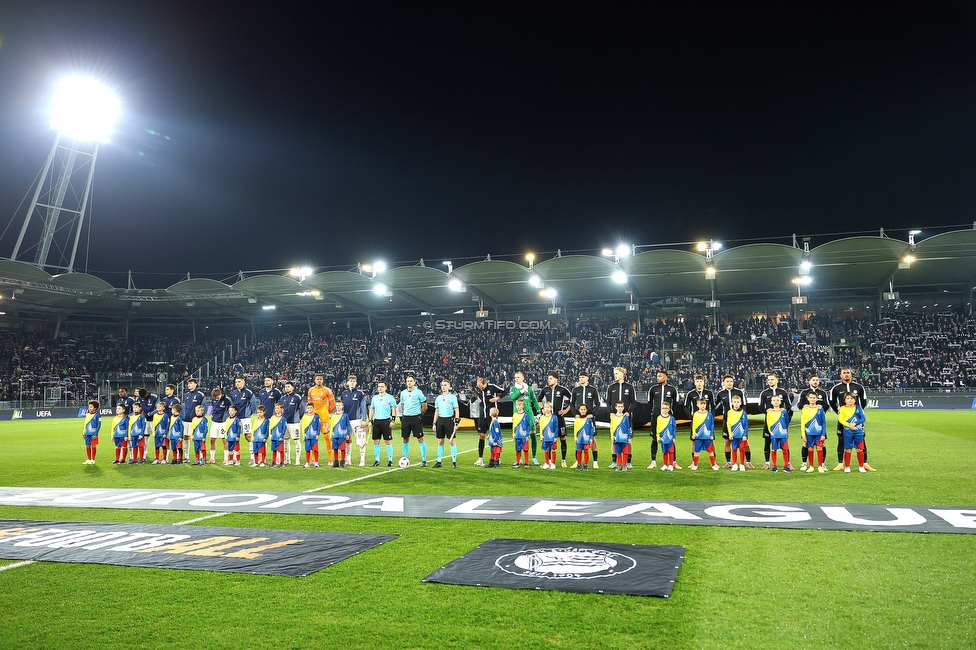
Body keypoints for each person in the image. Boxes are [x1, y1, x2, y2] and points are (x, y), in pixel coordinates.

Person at [829, 368, 874, 472]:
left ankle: (865, 464)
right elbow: (831, 402)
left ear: (851, 374)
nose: (846, 375)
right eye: (844, 373)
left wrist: (857, 413)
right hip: (843, 419)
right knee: (841, 440)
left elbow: (863, 401)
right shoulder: (836, 388)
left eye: (848, 373)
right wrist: (839, 412)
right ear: (840, 375)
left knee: (862, 440)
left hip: (857, 420)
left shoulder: (859, 387)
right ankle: (840, 464)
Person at [758, 373, 793, 470]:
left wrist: (784, 409)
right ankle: (767, 462)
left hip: (781, 422)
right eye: (768, 380)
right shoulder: (764, 393)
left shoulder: (783, 392)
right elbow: (760, 406)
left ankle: (788, 463)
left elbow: (789, 405)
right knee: (767, 441)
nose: (770, 381)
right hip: (769, 422)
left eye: (772, 379)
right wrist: (766, 411)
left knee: (785, 442)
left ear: (777, 380)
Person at [538, 372, 572, 468]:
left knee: (562, 438)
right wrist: (542, 409)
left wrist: (565, 411)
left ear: (556, 379)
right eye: (548, 379)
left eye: (551, 378)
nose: (549, 380)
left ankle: (563, 460)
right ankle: (548, 461)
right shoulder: (545, 390)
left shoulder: (562, 390)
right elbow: (539, 399)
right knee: (548, 439)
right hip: (548, 419)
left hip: (559, 418)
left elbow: (572, 400)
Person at [647, 370, 679, 469]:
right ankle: (653, 461)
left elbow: (676, 403)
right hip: (656, 418)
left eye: (660, 376)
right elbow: (649, 403)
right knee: (654, 438)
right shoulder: (653, 389)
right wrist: (654, 413)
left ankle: (673, 462)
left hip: (668, 418)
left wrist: (670, 413)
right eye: (657, 376)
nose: (658, 378)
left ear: (666, 377)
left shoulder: (672, 389)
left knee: (670, 440)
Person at [797, 374, 829, 471]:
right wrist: (806, 406)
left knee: (822, 445)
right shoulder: (804, 392)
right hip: (808, 424)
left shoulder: (822, 393)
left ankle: (822, 464)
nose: (815, 381)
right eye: (813, 380)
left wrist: (820, 407)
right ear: (809, 381)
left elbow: (826, 405)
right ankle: (804, 463)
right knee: (806, 444)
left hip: (818, 423)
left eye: (817, 380)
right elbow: (799, 404)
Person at [606, 367, 637, 468]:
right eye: (614, 374)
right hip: (615, 418)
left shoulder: (629, 387)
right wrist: (611, 412)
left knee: (628, 440)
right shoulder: (611, 387)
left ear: (623, 374)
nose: (615, 375)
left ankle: (628, 462)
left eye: (617, 373)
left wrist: (628, 412)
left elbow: (633, 402)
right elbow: (608, 402)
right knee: (613, 439)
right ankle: (614, 461)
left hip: (625, 418)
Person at [715, 374, 747, 468]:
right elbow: (715, 406)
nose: (729, 383)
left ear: (733, 382)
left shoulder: (739, 392)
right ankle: (728, 462)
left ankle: (746, 461)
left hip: (739, 421)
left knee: (744, 442)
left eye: (731, 381)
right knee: (727, 441)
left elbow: (744, 405)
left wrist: (743, 416)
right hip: (727, 421)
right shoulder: (720, 394)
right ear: (724, 383)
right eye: (727, 381)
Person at [509, 371, 541, 465]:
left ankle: (534, 457)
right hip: (518, 415)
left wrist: (538, 411)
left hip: (528, 413)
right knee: (519, 437)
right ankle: (520, 459)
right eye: (515, 377)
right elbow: (512, 397)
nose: (516, 379)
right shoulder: (513, 388)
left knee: (533, 434)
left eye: (518, 377)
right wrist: (522, 391)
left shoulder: (529, 388)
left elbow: (534, 400)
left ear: (523, 378)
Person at [571, 372, 601, 468]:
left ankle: (595, 461)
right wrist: (575, 414)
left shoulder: (593, 390)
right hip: (579, 419)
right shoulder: (576, 390)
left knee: (593, 439)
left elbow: (598, 403)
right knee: (578, 439)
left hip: (589, 418)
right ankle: (577, 461)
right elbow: (572, 403)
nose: (581, 379)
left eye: (583, 377)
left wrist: (593, 414)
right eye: (580, 377)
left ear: (587, 378)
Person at [473, 377, 505, 466]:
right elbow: (479, 396)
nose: (480, 388)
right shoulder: (479, 389)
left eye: (481, 387)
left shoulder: (492, 387)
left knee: (494, 436)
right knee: (481, 435)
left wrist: (498, 398)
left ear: (484, 383)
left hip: (491, 415)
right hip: (482, 415)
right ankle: (480, 458)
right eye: (479, 387)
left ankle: (497, 458)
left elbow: (505, 391)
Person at [684, 374, 716, 464]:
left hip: (707, 421)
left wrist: (712, 417)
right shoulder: (690, 394)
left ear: (704, 383)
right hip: (696, 421)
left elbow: (713, 406)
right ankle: (694, 462)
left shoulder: (709, 393)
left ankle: (714, 462)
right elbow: (685, 407)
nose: (699, 383)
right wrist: (691, 418)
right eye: (697, 382)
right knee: (694, 441)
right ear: (694, 383)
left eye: (701, 381)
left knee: (711, 440)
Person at [398, 375, 428, 467]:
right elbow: (402, 405)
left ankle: (424, 460)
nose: (409, 382)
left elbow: (424, 406)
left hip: (416, 417)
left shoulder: (418, 392)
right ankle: (404, 458)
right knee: (405, 439)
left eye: (411, 381)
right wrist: (405, 413)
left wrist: (419, 415)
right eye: (408, 381)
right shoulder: (403, 393)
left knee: (420, 438)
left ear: (414, 382)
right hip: (406, 418)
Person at [339, 375, 369, 466]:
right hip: (346, 420)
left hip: (356, 420)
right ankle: (348, 459)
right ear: (347, 382)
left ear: (356, 383)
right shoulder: (344, 394)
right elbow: (341, 407)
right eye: (350, 381)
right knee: (348, 440)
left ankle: (362, 460)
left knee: (361, 439)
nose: (352, 382)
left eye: (353, 381)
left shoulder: (360, 393)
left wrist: (364, 419)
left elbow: (363, 406)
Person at [367, 380, 397, 467]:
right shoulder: (375, 398)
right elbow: (372, 409)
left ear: (386, 388)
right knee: (376, 441)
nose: (380, 388)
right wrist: (370, 420)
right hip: (377, 421)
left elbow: (393, 409)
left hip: (386, 421)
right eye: (379, 386)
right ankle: (377, 460)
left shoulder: (390, 398)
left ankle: (390, 460)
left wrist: (393, 420)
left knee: (387, 441)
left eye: (382, 386)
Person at [308, 374, 337, 462]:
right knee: (313, 436)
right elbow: (309, 404)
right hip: (314, 416)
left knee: (327, 436)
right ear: (315, 380)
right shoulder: (311, 390)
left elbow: (333, 404)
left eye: (321, 379)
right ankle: (313, 459)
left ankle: (330, 458)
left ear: (323, 380)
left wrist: (326, 413)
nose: (319, 381)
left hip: (324, 416)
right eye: (317, 379)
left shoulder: (327, 390)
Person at [433, 379, 460, 468]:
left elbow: (456, 410)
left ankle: (454, 461)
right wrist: (434, 423)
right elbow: (437, 411)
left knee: (452, 441)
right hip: (440, 420)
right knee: (440, 441)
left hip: (449, 420)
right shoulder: (438, 398)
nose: (443, 387)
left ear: (449, 386)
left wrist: (456, 423)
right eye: (442, 385)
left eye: (445, 385)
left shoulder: (452, 397)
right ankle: (439, 461)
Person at [838, 392, 868, 473]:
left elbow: (863, 418)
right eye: (848, 398)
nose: (850, 400)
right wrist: (849, 425)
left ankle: (861, 466)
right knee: (848, 449)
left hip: (858, 431)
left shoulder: (859, 408)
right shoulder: (842, 408)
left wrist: (855, 423)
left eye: (852, 398)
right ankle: (847, 467)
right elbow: (841, 419)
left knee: (860, 449)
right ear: (845, 400)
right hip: (847, 432)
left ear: (855, 400)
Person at [801, 390, 827, 474]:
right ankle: (811, 466)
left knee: (819, 448)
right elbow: (802, 422)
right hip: (809, 433)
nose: (812, 399)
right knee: (810, 448)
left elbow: (823, 422)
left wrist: (823, 434)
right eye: (810, 397)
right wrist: (803, 435)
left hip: (818, 433)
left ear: (816, 399)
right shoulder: (805, 409)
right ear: (808, 399)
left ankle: (820, 466)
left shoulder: (820, 409)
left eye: (814, 398)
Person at [690, 398, 718, 471]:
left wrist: (712, 434)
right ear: (697, 405)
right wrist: (693, 434)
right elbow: (694, 425)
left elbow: (712, 425)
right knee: (696, 451)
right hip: (698, 437)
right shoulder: (695, 414)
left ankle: (713, 465)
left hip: (707, 437)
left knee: (710, 451)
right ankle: (695, 465)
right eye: (701, 404)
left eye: (704, 404)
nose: (702, 405)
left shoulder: (709, 414)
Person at [766, 394, 792, 472]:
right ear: (771, 402)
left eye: (777, 400)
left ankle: (786, 466)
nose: (776, 402)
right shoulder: (769, 412)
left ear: (780, 402)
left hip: (783, 433)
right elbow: (768, 422)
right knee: (774, 449)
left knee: (785, 449)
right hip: (774, 434)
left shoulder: (784, 412)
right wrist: (771, 431)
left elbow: (787, 422)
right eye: (774, 400)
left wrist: (785, 431)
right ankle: (775, 466)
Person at [280, 381, 304, 466]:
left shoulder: (297, 397)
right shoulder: (282, 398)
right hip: (285, 423)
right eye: (286, 387)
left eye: (288, 386)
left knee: (296, 440)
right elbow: (280, 410)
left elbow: (302, 410)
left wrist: (298, 418)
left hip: (294, 423)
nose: (287, 388)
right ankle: (287, 459)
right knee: (286, 441)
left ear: (292, 387)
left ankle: (297, 459)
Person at [208, 387, 232, 465]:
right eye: (215, 397)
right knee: (212, 440)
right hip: (214, 422)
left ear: (220, 394)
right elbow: (213, 408)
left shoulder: (227, 400)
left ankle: (225, 458)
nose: (216, 399)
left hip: (223, 423)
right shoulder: (213, 399)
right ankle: (212, 458)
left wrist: (228, 416)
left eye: (217, 397)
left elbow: (232, 408)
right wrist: (211, 414)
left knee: (224, 440)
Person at [727, 394, 749, 472]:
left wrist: (745, 435)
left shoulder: (743, 412)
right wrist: (730, 434)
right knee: (734, 449)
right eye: (734, 402)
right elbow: (728, 424)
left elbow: (746, 424)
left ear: (740, 403)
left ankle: (742, 464)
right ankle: (735, 464)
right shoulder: (729, 412)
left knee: (742, 449)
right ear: (732, 403)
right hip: (733, 435)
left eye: (737, 402)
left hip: (741, 435)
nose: (736, 403)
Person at [229, 376, 255, 441]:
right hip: (236, 418)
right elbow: (232, 406)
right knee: (235, 436)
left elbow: (253, 406)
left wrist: (248, 413)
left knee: (248, 436)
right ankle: (236, 451)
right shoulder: (233, 393)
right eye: (236, 382)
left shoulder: (249, 393)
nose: (237, 383)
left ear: (243, 382)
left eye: (239, 382)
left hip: (246, 418)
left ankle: (252, 451)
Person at [655, 401, 677, 471]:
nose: (665, 410)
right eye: (663, 408)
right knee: (664, 452)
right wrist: (658, 437)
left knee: (671, 452)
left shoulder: (672, 418)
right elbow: (658, 428)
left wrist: (674, 437)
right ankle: (665, 465)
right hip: (662, 438)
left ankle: (671, 465)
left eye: (666, 408)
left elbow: (674, 428)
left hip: (670, 438)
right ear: (661, 408)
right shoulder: (659, 418)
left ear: (669, 409)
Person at [610, 401, 632, 472]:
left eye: (621, 407)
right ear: (616, 407)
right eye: (618, 406)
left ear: (623, 408)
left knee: (625, 452)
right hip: (616, 438)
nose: (620, 408)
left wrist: (628, 437)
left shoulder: (625, 417)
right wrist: (612, 437)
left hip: (624, 437)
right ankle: (619, 465)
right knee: (618, 452)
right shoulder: (613, 417)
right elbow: (612, 428)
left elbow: (628, 427)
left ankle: (625, 465)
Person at [538, 402, 560, 469]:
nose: (546, 409)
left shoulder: (554, 417)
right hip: (545, 437)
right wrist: (541, 437)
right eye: (545, 407)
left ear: (551, 408)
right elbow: (541, 428)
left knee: (553, 450)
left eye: (548, 407)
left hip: (552, 437)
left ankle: (553, 463)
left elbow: (556, 427)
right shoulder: (542, 417)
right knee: (546, 450)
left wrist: (556, 436)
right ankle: (547, 463)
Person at [574, 403, 595, 471]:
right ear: (579, 410)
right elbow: (575, 429)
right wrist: (575, 438)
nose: (583, 411)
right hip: (579, 438)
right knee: (579, 451)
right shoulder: (577, 419)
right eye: (581, 409)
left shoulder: (589, 419)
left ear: (586, 410)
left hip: (586, 438)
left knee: (586, 451)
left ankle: (586, 465)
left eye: (584, 409)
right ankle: (579, 464)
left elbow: (592, 429)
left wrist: (591, 437)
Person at [330, 401, 352, 468]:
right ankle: (335, 462)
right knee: (335, 448)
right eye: (337, 405)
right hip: (335, 435)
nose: (338, 407)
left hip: (342, 435)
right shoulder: (333, 416)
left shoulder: (345, 415)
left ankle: (342, 462)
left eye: (339, 405)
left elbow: (348, 425)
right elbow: (332, 426)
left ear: (342, 406)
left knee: (342, 449)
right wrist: (331, 435)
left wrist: (348, 434)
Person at [300, 402, 322, 468]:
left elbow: (318, 426)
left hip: (314, 436)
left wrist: (318, 434)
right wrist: (303, 435)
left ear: (313, 408)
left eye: (311, 408)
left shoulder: (316, 416)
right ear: (306, 409)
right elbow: (303, 427)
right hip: (307, 436)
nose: (310, 409)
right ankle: (307, 462)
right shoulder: (305, 417)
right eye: (308, 408)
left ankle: (316, 462)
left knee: (315, 449)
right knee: (307, 449)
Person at [512, 398, 532, 468]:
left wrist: (527, 435)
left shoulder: (526, 414)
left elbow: (528, 425)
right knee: (517, 449)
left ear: (523, 405)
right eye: (517, 405)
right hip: (517, 435)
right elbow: (514, 425)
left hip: (524, 436)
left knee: (525, 449)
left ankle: (526, 463)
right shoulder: (515, 415)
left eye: (520, 405)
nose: (518, 406)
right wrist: (513, 434)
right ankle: (518, 462)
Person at [269, 402, 287, 468]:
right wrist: (270, 435)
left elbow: (284, 428)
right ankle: (274, 462)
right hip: (274, 437)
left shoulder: (283, 418)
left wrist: (281, 436)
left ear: (282, 409)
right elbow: (271, 427)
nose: (276, 409)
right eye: (276, 408)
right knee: (274, 450)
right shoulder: (273, 417)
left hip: (279, 437)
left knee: (281, 450)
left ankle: (282, 462)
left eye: (278, 408)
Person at [82, 400, 101, 465]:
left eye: (91, 407)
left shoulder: (97, 415)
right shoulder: (87, 415)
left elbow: (99, 425)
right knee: (87, 446)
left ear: (95, 408)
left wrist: (96, 433)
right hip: (87, 433)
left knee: (93, 446)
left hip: (93, 434)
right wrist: (83, 433)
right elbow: (85, 424)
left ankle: (93, 459)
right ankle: (89, 458)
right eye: (89, 407)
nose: (89, 408)